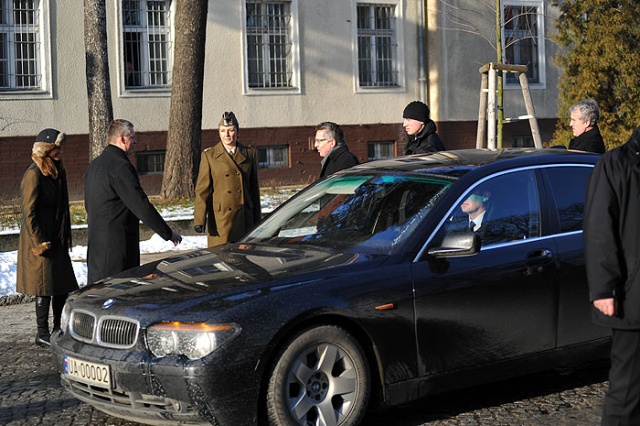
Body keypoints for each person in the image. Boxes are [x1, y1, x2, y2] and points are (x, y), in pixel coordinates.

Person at [584, 126, 640, 425]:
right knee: (628, 393)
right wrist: (604, 289)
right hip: (634, 300)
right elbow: (599, 229)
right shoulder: (615, 163)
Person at [84, 119, 182, 283]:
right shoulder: (121, 167)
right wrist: (168, 233)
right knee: (118, 299)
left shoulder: (95, 165)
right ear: (122, 138)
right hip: (117, 250)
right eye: (132, 137)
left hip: (96, 248)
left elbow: (89, 205)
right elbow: (141, 206)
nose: (135, 141)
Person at [17, 128, 79, 347]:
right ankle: (42, 332)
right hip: (41, 239)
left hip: (57, 236)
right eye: (56, 148)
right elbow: (28, 212)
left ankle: (57, 328)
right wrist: (39, 242)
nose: (60, 151)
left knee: (60, 285)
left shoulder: (56, 171)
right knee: (44, 287)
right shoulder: (34, 174)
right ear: (46, 149)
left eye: (60, 147)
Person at [193, 112, 261, 247]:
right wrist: (199, 220)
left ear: (237, 131)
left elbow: (254, 190)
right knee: (222, 260)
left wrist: (258, 222)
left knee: (244, 259)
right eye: (223, 131)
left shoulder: (249, 154)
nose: (227, 135)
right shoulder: (210, 156)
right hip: (221, 219)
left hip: (245, 218)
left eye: (230, 130)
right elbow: (202, 190)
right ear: (219, 133)